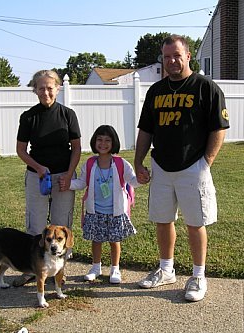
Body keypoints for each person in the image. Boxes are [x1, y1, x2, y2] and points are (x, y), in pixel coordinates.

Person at [134, 35, 230, 302]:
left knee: (195, 223)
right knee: (163, 220)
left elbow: (218, 129)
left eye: (177, 55)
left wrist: (206, 162)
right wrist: (138, 161)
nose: (172, 61)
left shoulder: (206, 87)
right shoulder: (156, 91)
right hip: (161, 166)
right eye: (166, 57)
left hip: (193, 166)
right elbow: (146, 130)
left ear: (188, 56)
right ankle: (166, 269)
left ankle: (199, 276)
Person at [15, 69, 81, 286]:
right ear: (35, 90)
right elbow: (21, 150)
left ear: (58, 88)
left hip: (63, 176)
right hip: (37, 176)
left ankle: (60, 271)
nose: (46, 92)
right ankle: (35, 269)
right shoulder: (28, 117)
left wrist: (69, 175)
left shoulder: (68, 114)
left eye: (50, 87)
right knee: (36, 224)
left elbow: (77, 148)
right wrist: (39, 167)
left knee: (62, 224)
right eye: (41, 88)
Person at [64, 125, 140, 284]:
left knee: (114, 241)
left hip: (116, 211)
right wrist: (68, 184)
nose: (103, 143)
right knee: (96, 240)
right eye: (99, 139)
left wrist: (142, 178)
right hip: (95, 210)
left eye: (107, 140)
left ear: (114, 143)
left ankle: (115, 268)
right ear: (94, 142)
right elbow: (82, 182)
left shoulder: (121, 163)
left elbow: (132, 180)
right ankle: (96, 267)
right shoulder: (90, 163)